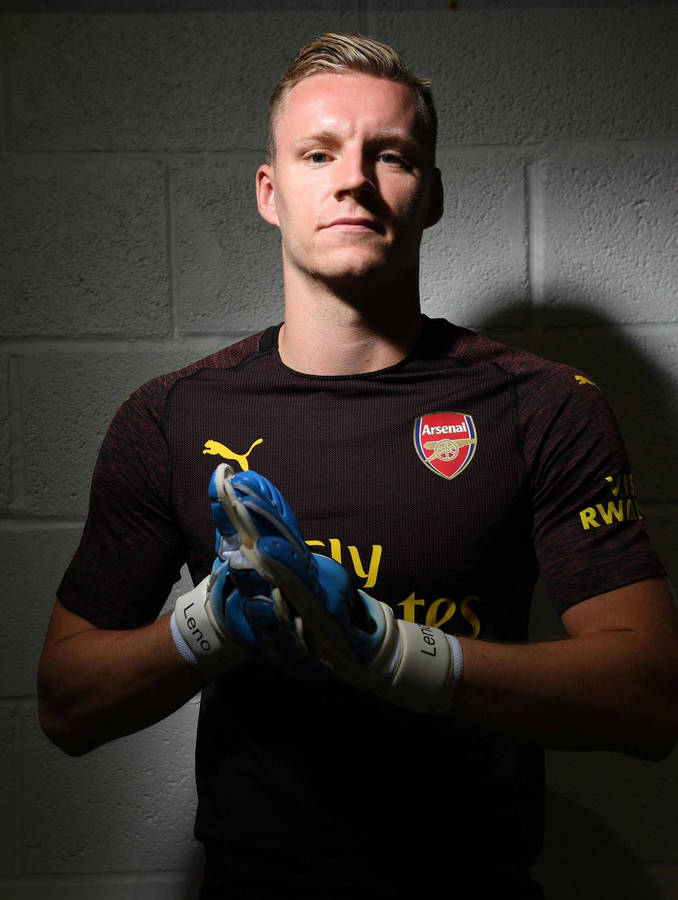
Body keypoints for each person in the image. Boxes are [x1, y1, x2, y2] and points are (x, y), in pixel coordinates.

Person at [38, 32, 678, 900]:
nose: (353, 180)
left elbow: (647, 695)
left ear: (433, 194)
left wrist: (394, 652)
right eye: (317, 153)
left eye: (391, 155)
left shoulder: (545, 405)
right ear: (270, 193)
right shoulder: (172, 417)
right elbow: (66, 705)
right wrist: (210, 627)